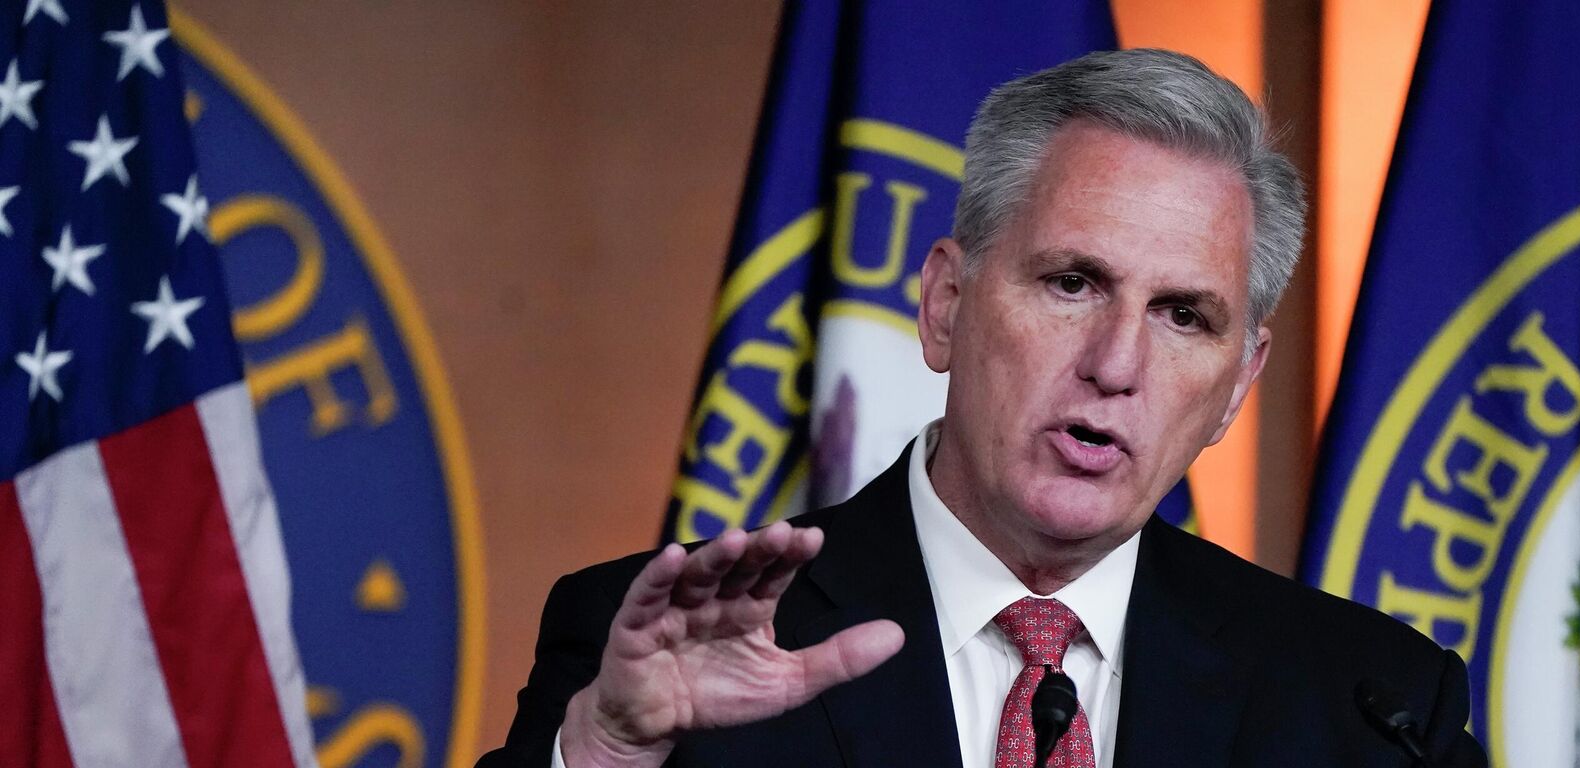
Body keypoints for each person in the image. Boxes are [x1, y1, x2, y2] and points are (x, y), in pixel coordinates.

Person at [479, 48, 1486, 768]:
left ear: (1237, 384)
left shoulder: (1372, 708)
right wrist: (607, 751)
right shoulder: (664, 655)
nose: (1116, 362)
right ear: (947, 306)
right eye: (1072, 283)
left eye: (1184, 315)